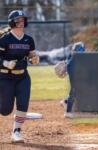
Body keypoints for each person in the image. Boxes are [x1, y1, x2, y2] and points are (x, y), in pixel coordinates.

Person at [0, 10, 39, 143]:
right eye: (18, 20)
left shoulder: (29, 39)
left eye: (22, 20)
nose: (21, 22)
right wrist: (5, 63)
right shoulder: (4, 39)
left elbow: (31, 55)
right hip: (5, 78)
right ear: (12, 22)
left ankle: (16, 132)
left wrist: (34, 59)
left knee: (23, 104)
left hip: (23, 77)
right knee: (5, 110)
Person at [60, 42, 85, 118]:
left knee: (77, 90)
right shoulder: (73, 61)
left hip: (73, 69)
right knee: (75, 90)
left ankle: (66, 101)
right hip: (72, 69)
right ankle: (68, 111)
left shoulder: (72, 58)